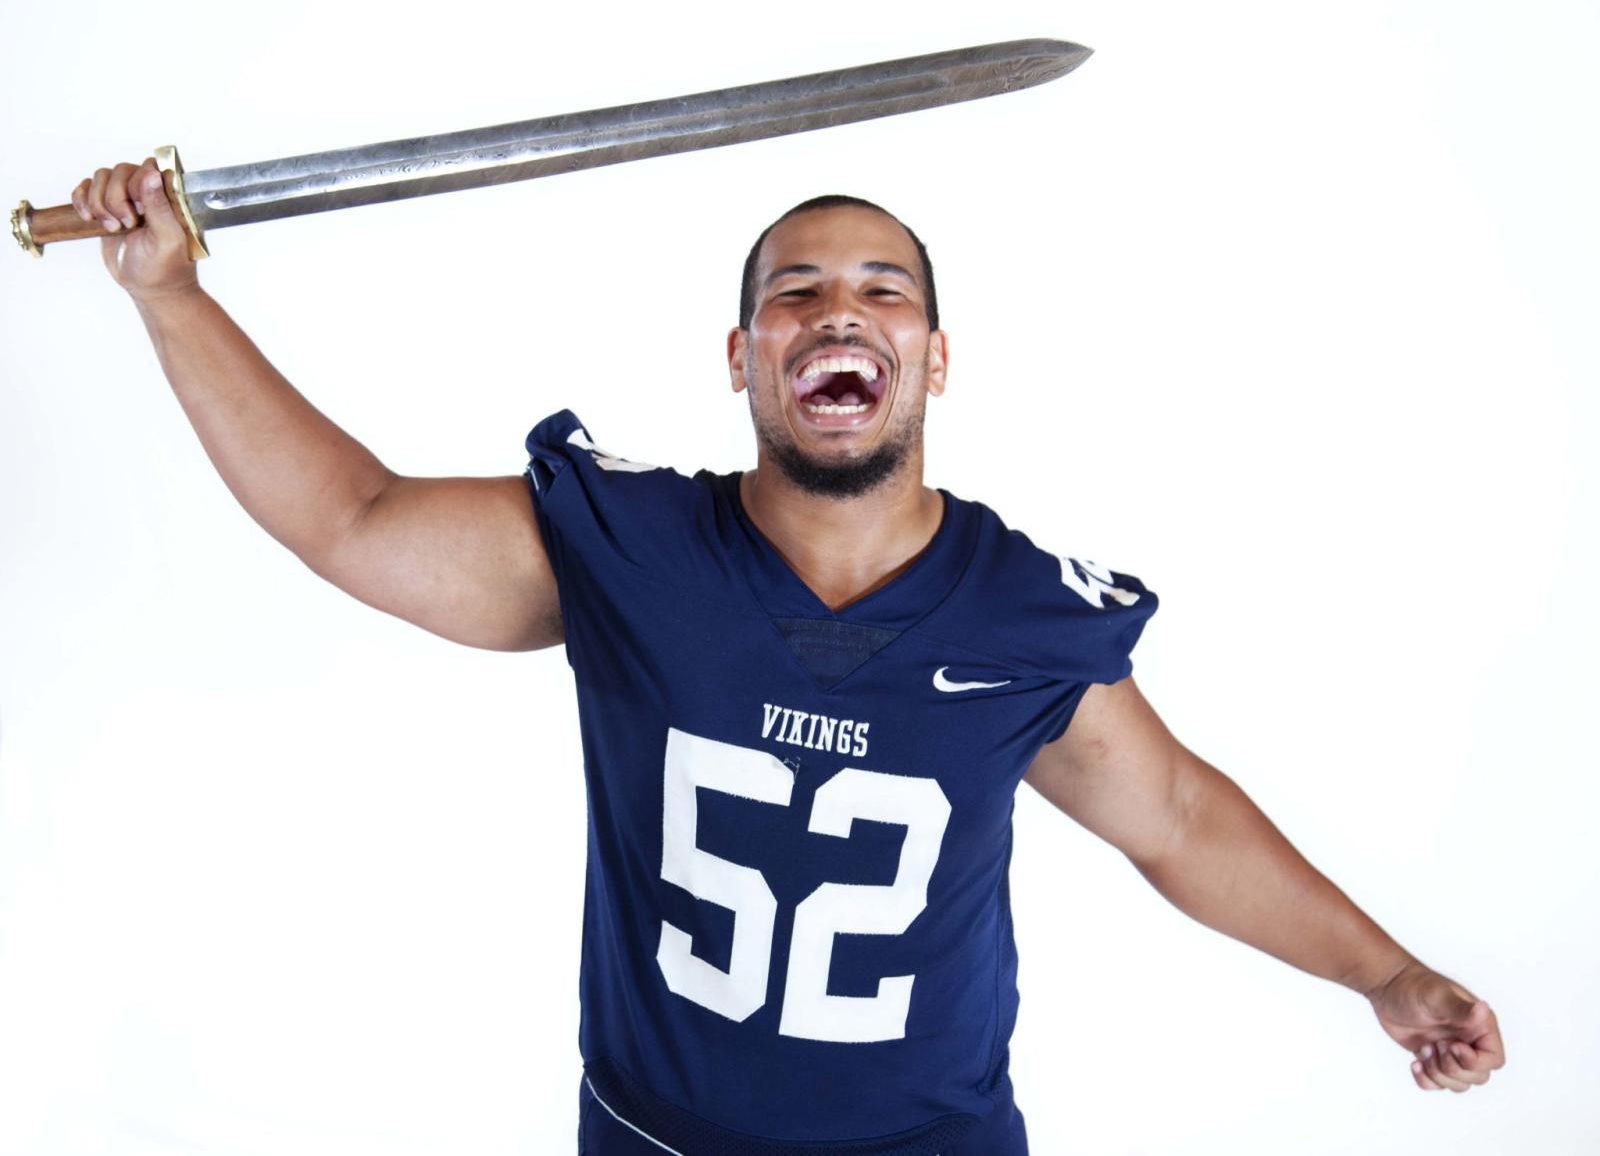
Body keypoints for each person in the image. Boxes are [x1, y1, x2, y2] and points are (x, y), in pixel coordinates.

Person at [74, 155, 1506, 1154]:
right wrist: (171, 295)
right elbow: (353, 516)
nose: (840, 308)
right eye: (796, 290)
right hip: (656, 1138)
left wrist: (1387, 972)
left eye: (885, 291)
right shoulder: (630, 548)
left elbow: (1181, 820)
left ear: (934, 358)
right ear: (744, 355)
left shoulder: (1019, 614)